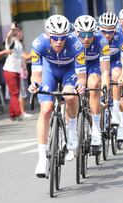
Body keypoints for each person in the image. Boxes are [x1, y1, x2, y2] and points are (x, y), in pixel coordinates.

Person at [29, 15, 86, 178]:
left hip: (69, 72)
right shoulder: (38, 43)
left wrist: (80, 85)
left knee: (69, 95)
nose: (59, 41)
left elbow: (82, 75)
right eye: (55, 37)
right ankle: (42, 159)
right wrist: (35, 85)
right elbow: (36, 74)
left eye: (63, 37)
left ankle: (72, 128)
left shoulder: (76, 44)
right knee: (46, 109)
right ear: (48, 35)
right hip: (49, 72)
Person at [73, 15, 111, 147]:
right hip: (75, 68)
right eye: (82, 34)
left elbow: (105, 71)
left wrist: (104, 92)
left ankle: (96, 129)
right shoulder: (71, 40)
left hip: (93, 66)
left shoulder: (102, 42)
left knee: (94, 83)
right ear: (76, 32)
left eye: (89, 34)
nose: (86, 38)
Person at [98, 12, 123, 141]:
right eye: (104, 32)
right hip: (100, 63)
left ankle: (118, 117)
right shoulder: (95, 38)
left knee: (117, 75)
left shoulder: (122, 40)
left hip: (115, 63)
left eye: (110, 32)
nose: (107, 35)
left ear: (115, 30)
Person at [3, 22, 29, 121]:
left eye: (20, 31)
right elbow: (8, 36)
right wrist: (12, 30)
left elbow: (24, 56)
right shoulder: (10, 41)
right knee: (14, 92)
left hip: (17, 70)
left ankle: (13, 113)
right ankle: (18, 113)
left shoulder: (19, 43)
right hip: (10, 69)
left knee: (15, 93)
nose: (20, 33)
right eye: (18, 31)